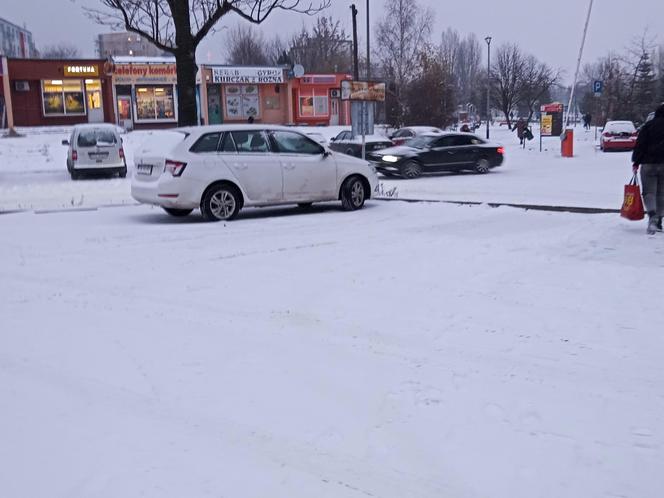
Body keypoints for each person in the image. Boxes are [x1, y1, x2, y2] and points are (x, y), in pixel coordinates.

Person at [632, 103, 664, 234]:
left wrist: (636, 162)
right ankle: (659, 221)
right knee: (662, 193)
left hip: (648, 164)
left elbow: (640, 145)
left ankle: (652, 217)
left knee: (649, 192)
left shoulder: (648, 127)